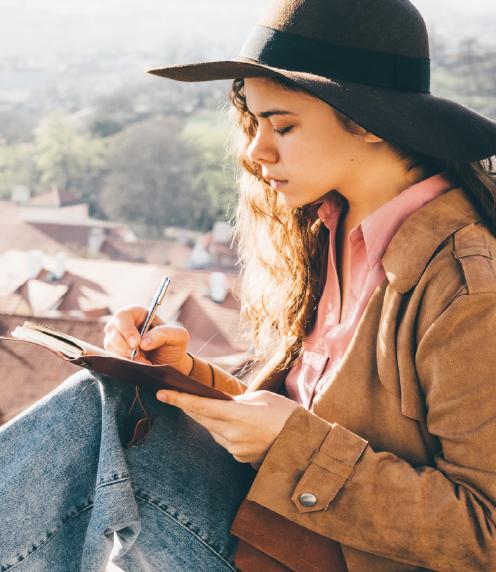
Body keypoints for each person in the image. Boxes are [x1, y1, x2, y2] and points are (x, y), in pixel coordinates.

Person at [1, 0, 496, 570]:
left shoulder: (466, 287)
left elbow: (484, 530)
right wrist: (187, 376)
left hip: (320, 555)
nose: (256, 152)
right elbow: (297, 423)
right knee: (107, 401)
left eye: (282, 126)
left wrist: (291, 446)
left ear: (367, 122)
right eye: (254, 123)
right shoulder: (329, 230)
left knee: (98, 441)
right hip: (272, 524)